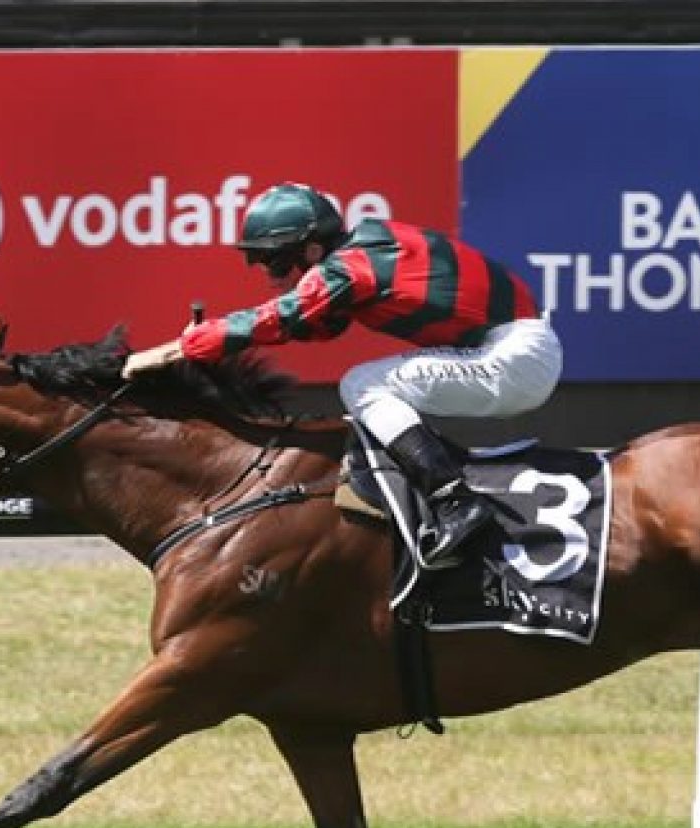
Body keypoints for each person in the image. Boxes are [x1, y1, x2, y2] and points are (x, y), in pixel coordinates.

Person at [125, 182, 562, 564]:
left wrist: (174, 351)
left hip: (515, 356)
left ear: (312, 249)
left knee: (363, 384)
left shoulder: (348, 268)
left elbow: (280, 317)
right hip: (513, 348)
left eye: (276, 261)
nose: (271, 275)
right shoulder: (366, 248)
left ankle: (455, 501)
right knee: (373, 387)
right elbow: (318, 324)